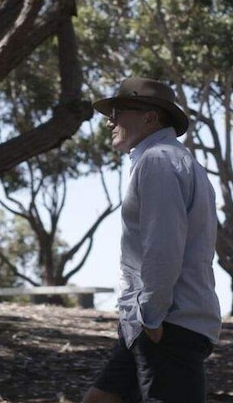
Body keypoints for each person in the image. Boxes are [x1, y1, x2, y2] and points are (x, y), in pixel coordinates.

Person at [83, 77, 221, 403]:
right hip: (150, 324)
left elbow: (163, 245)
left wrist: (152, 314)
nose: (110, 121)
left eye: (118, 112)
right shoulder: (167, 159)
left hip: (167, 325)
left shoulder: (158, 162)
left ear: (150, 117)